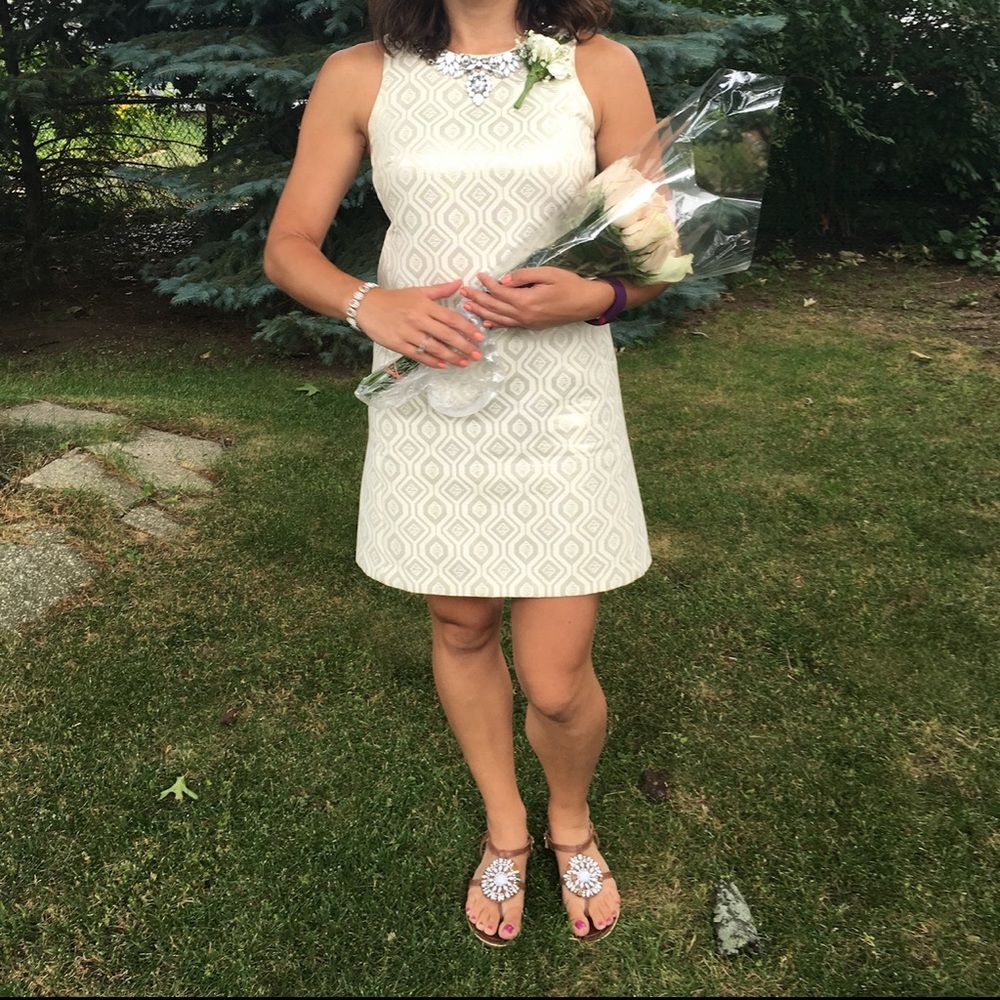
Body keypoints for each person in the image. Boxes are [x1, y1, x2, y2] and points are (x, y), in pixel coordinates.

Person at [264, 0, 668, 946]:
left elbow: (656, 249)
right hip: (432, 399)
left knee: (558, 680)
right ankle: (509, 828)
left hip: (561, 398)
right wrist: (371, 304)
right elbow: (290, 247)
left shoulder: (600, 65)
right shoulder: (357, 73)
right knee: (459, 620)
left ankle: (574, 817)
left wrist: (603, 293)